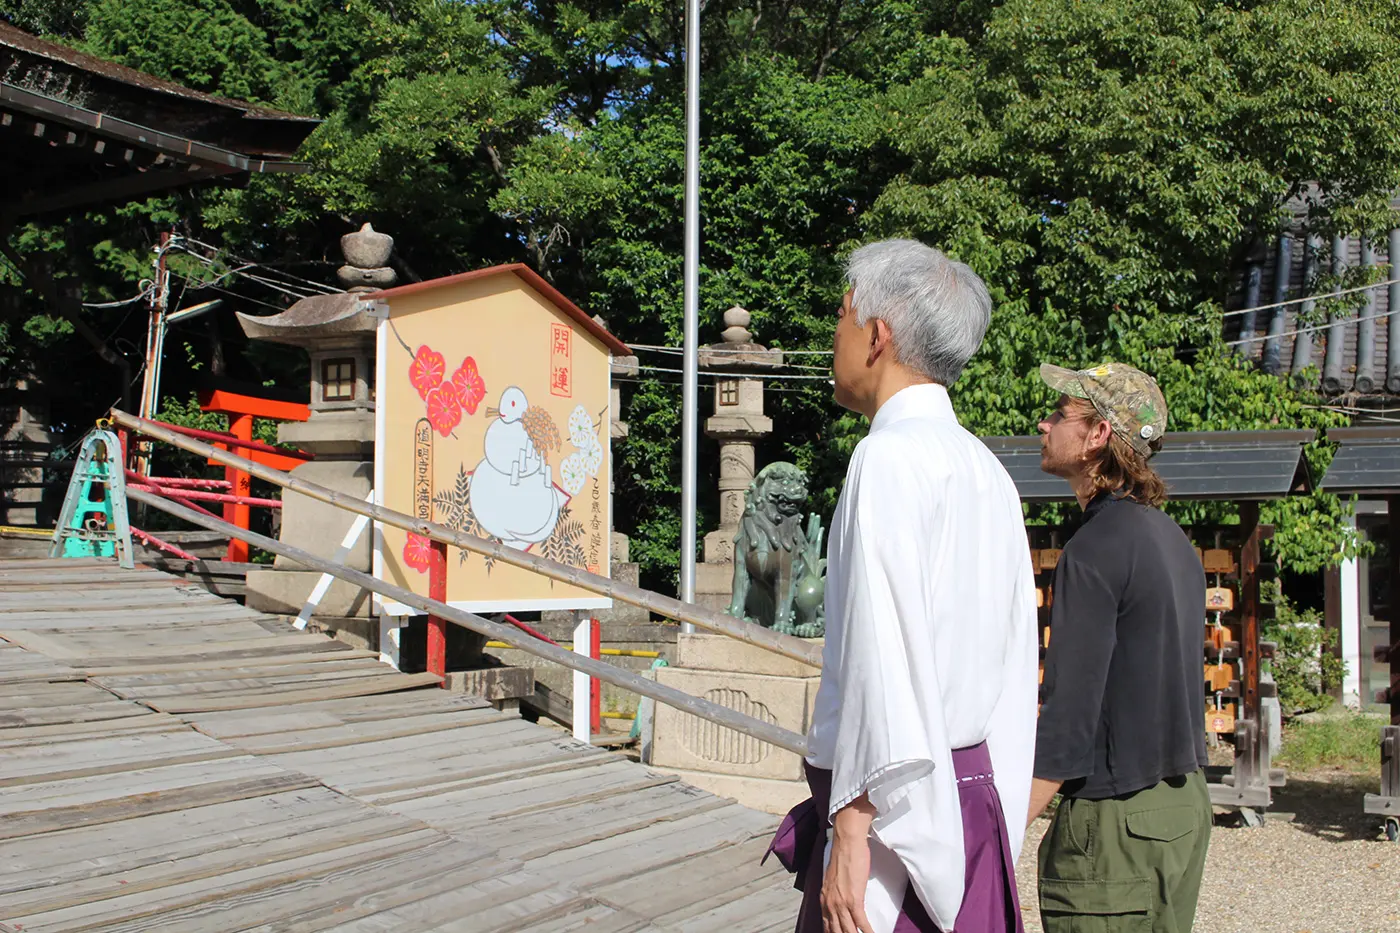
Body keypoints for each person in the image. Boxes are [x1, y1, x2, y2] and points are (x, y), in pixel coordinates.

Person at [766, 239, 1039, 933]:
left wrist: (853, 830)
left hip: (894, 814)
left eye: (842, 314)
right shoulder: (989, 471)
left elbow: (882, 663)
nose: (835, 334)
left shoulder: (885, 459)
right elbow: (1016, 670)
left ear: (878, 336)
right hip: (974, 799)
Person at [1027, 362, 1212, 933]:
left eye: (1060, 414)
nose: (1043, 423)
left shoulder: (1094, 549)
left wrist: (1004, 827)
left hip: (1115, 824)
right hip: (1183, 805)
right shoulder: (1172, 539)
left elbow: (1069, 716)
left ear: (1098, 436)